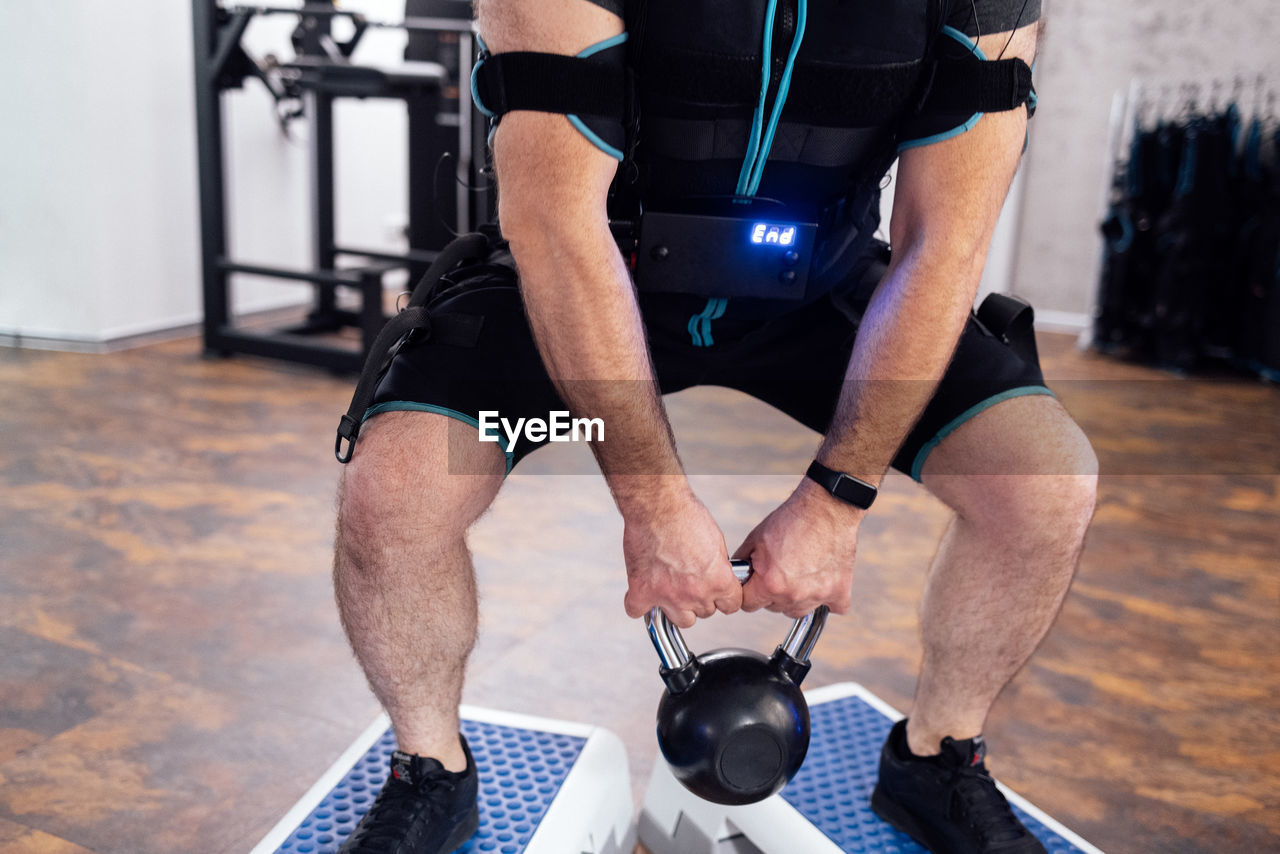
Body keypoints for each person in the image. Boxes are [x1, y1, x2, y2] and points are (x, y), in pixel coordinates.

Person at [331, 0, 1098, 852]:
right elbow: (556, 225)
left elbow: (942, 247)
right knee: (394, 490)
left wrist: (837, 498)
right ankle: (428, 768)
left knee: (1046, 485)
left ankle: (937, 757)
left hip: (822, 289)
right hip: (596, 276)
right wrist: (654, 504)